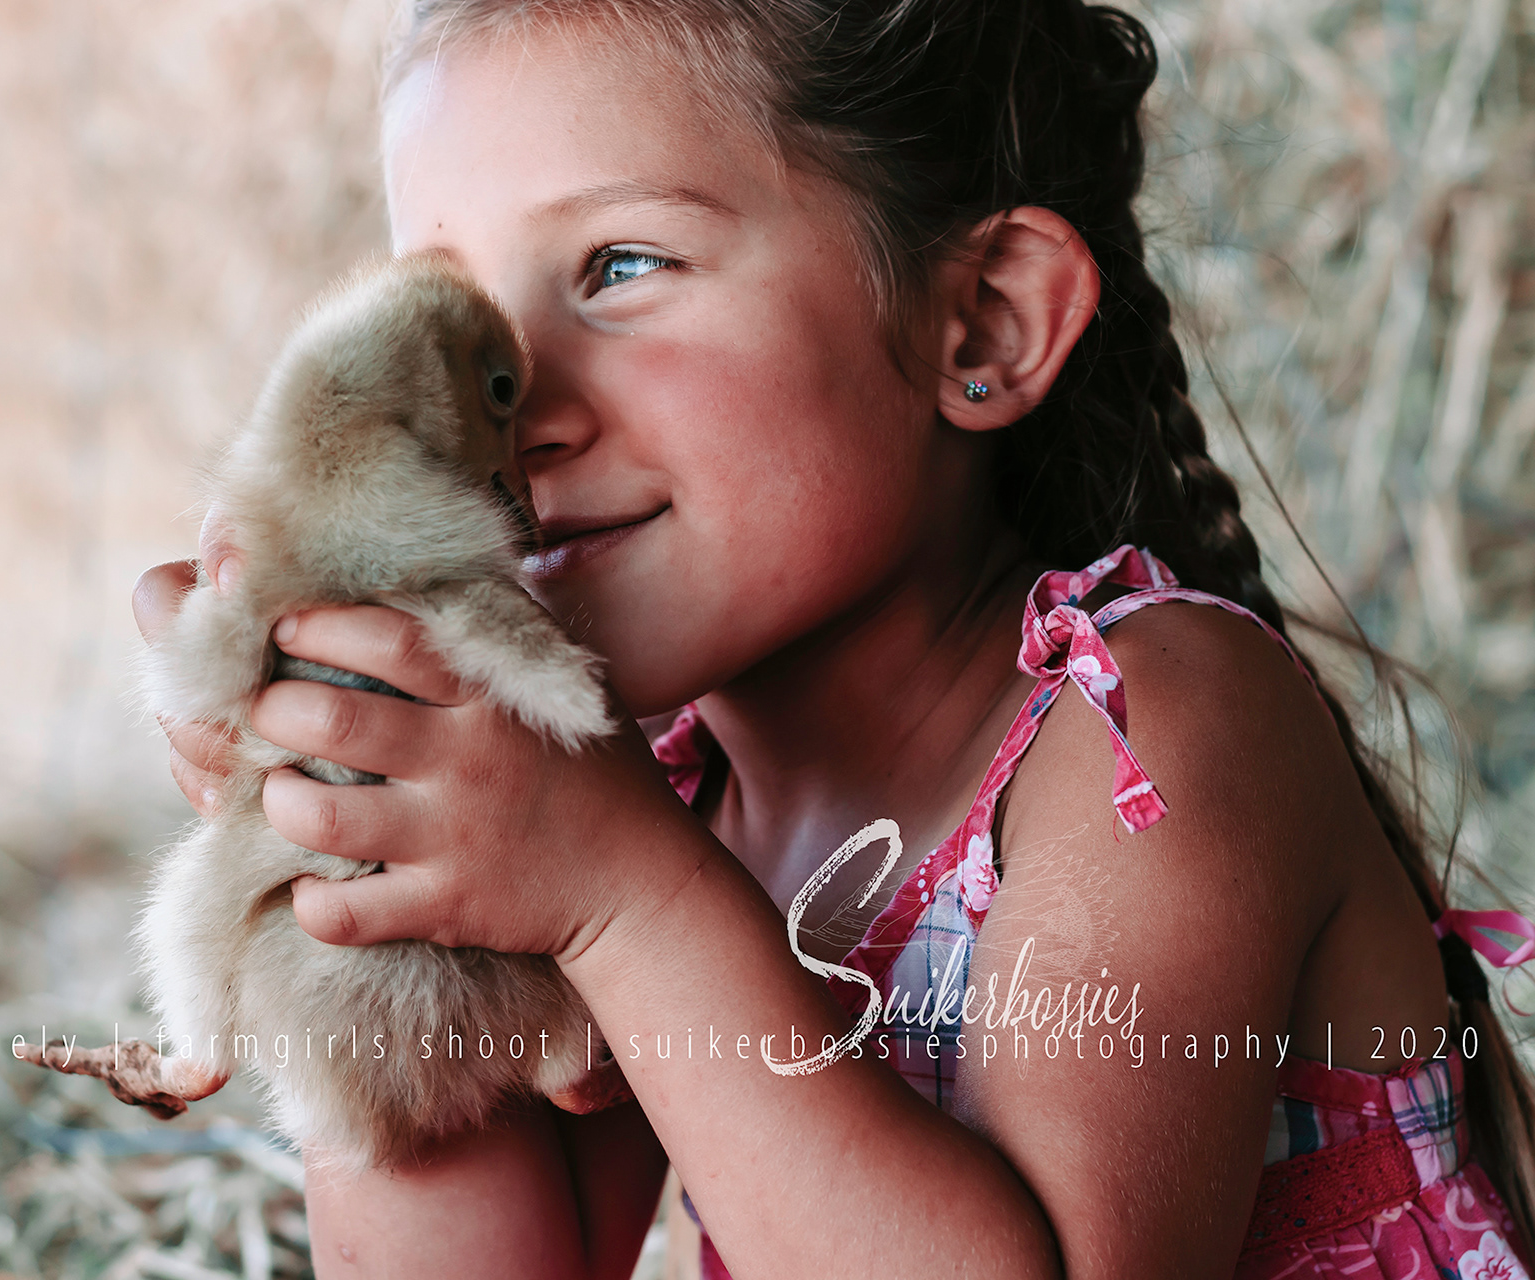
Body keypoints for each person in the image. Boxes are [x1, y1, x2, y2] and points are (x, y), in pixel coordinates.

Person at [130, 1, 1535, 1275]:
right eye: (459, 327)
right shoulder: (650, 786)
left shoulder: (1149, 730)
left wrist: (625, 900)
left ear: (977, 322)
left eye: (621, 265)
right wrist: (350, 860)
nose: (514, 412)